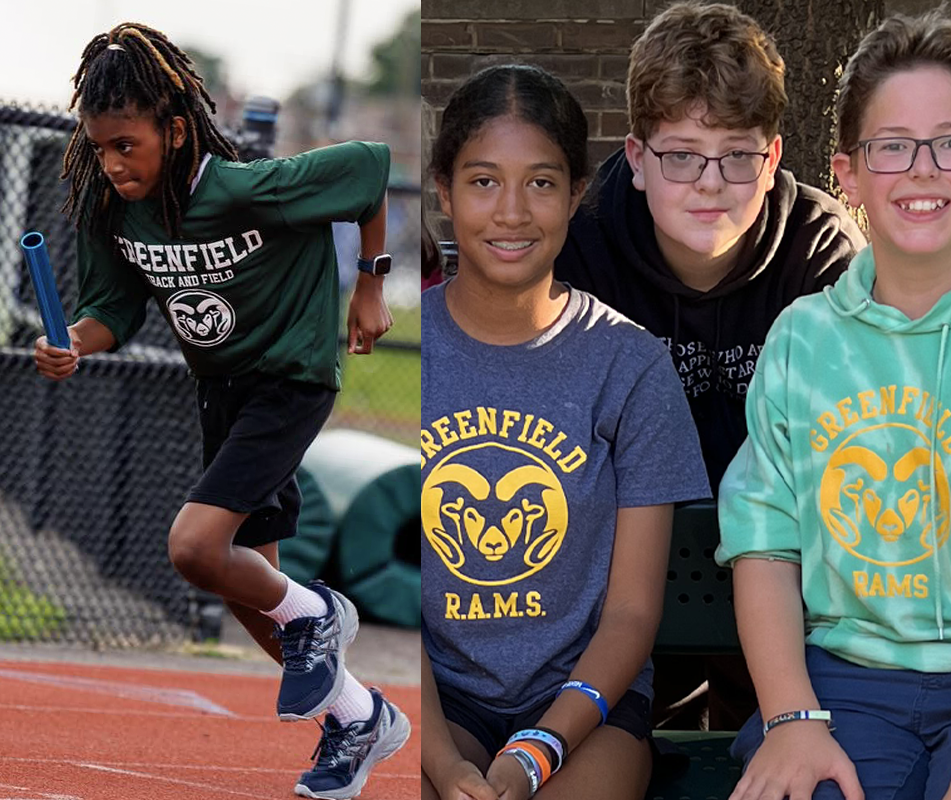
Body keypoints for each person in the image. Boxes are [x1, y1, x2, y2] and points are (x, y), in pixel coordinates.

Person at [30, 23, 405, 798]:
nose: (111, 163)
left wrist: (371, 284)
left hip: (291, 378)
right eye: (99, 147)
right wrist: (72, 340)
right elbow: (114, 309)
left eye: (126, 145)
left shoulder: (245, 186)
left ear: (172, 129)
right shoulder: (112, 207)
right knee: (244, 591)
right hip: (223, 389)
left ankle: (321, 610)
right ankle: (359, 715)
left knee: (196, 550)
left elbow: (371, 169)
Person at [716, 11, 951, 800]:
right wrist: (791, 718)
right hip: (841, 683)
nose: (923, 171)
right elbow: (765, 545)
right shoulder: (803, 341)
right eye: (892, 147)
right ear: (848, 172)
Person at [419, 63, 713, 800]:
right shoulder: (405, 351)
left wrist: (537, 752)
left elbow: (632, 614)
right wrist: (448, 764)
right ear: (443, 190)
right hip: (436, 700)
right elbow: (383, 606)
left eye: (542, 183)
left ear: (577, 195)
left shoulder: (631, 366)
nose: (512, 212)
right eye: (483, 181)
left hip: (587, 707)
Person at [553, 1, 866, 488]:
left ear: (771, 160)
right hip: (622, 531)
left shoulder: (820, 253)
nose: (710, 182)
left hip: (788, 534)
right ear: (637, 159)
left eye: (738, 154)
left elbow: (856, 446)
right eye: (682, 155)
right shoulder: (580, 249)